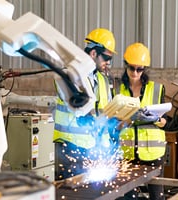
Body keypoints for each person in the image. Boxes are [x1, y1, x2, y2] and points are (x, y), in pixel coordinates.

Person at [53, 28, 116, 181]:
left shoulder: (103, 81)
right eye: (106, 57)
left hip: (92, 150)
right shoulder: (70, 75)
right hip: (68, 149)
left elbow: (105, 114)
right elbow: (77, 105)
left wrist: (107, 148)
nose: (108, 62)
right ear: (93, 53)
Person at [116, 43, 167, 200]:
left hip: (153, 152)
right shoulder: (117, 89)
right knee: (128, 197)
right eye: (132, 68)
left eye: (140, 69)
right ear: (126, 66)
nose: (135, 72)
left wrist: (160, 121)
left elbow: (165, 120)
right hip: (127, 153)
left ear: (145, 69)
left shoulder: (157, 89)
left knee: (156, 197)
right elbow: (112, 117)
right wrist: (121, 121)